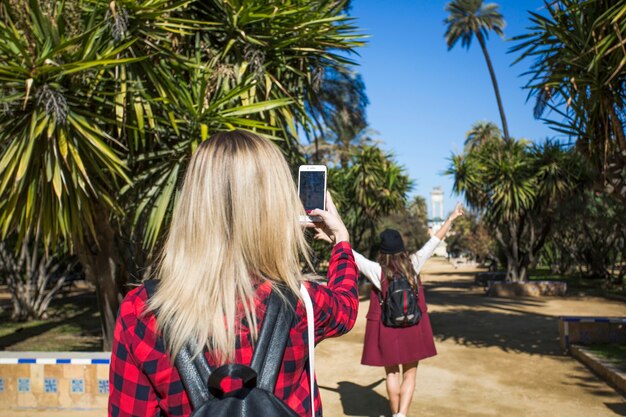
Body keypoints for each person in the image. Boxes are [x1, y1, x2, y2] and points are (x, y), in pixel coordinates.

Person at [108, 130, 359, 417]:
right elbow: (347, 307)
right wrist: (341, 241)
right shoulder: (302, 303)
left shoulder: (141, 311)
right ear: (274, 207)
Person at [326, 204, 463, 417]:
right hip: (412, 326)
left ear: (383, 251)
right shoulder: (413, 264)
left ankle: (394, 414)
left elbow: (354, 256)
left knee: (392, 374)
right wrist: (452, 217)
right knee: (410, 375)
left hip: (388, 328)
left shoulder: (378, 271)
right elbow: (435, 240)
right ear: (402, 248)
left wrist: (332, 239)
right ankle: (403, 414)